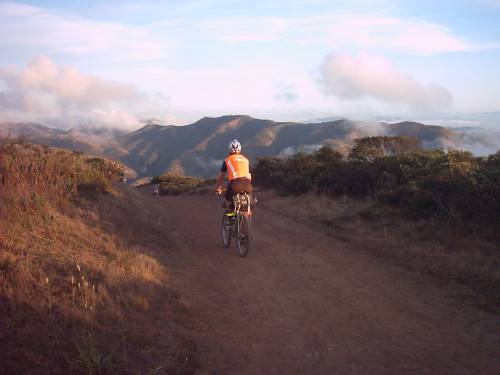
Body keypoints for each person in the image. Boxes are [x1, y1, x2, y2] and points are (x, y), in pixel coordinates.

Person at [215, 139, 253, 205]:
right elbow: (249, 175)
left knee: (227, 200)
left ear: (229, 150)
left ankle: (231, 213)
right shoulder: (246, 160)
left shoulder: (227, 160)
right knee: (249, 202)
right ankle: (247, 213)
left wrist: (217, 188)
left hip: (234, 185)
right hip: (248, 185)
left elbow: (221, 177)